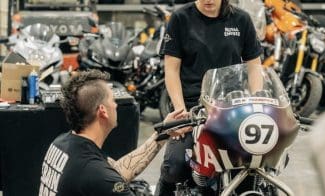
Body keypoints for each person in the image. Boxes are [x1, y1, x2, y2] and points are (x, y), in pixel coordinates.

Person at [155, 0, 263, 195]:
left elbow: (254, 66)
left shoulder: (241, 19)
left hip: (232, 109)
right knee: (175, 166)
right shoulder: (180, 18)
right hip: (193, 109)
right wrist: (181, 111)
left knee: (253, 167)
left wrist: (256, 101)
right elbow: (171, 70)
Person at [38, 70, 185, 196]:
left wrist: (163, 134)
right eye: (113, 100)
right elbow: (107, 178)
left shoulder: (62, 143)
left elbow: (117, 171)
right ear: (103, 111)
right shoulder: (95, 174)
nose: (115, 105)